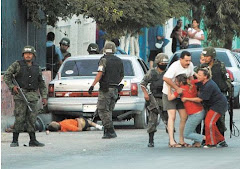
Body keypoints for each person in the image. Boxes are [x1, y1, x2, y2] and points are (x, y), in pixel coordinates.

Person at [4, 45, 48, 147]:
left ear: (33, 55)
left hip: (32, 95)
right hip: (20, 94)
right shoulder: (17, 65)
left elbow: (41, 83)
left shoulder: (37, 68)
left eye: (30, 54)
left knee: (32, 118)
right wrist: (12, 86)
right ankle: (15, 140)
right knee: (19, 117)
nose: (28, 56)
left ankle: (33, 140)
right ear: (23, 55)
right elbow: (7, 75)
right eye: (26, 54)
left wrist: (44, 97)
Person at [182, 68, 228, 148]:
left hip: (218, 105)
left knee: (209, 123)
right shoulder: (203, 82)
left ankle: (211, 143)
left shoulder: (209, 85)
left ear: (205, 76)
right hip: (214, 105)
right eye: (198, 74)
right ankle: (221, 140)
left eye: (200, 75)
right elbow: (194, 80)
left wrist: (186, 99)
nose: (198, 76)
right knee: (211, 123)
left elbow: (200, 99)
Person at [88, 42, 124, 139]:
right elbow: (121, 75)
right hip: (115, 89)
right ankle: (107, 131)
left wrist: (92, 85)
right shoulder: (119, 60)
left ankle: (110, 130)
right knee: (109, 111)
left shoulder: (104, 60)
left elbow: (100, 73)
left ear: (104, 49)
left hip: (105, 89)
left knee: (103, 110)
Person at [200, 47, 232, 147]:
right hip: (207, 98)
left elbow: (227, 79)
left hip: (219, 96)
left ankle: (221, 139)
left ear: (212, 57)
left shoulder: (220, 65)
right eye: (204, 56)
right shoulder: (201, 67)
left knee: (220, 120)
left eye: (207, 56)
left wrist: (226, 88)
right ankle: (206, 139)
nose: (205, 58)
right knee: (207, 120)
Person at [162, 51, 194, 147]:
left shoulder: (190, 65)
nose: (188, 63)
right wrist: (176, 88)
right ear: (181, 59)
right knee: (172, 116)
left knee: (184, 117)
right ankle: (171, 141)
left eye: (189, 60)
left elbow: (191, 76)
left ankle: (181, 140)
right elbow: (166, 78)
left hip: (182, 94)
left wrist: (191, 88)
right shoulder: (175, 66)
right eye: (186, 60)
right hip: (170, 92)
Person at [168, 74, 206, 147]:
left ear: (180, 82)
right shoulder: (192, 83)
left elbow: (170, 98)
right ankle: (197, 142)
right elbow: (199, 79)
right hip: (200, 110)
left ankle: (208, 139)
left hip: (194, 113)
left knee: (187, 134)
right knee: (192, 128)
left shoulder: (180, 90)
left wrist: (169, 87)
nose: (175, 83)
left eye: (176, 82)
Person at [140, 53, 169, 147]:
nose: (164, 64)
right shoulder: (152, 72)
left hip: (165, 98)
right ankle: (151, 140)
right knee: (152, 120)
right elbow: (143, 84)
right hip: (154, 98)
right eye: (162, 62)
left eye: (165, 62)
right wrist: (146, 94)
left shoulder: (168, 72)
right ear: (158, 62)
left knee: (168, 120)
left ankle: (171, 139)